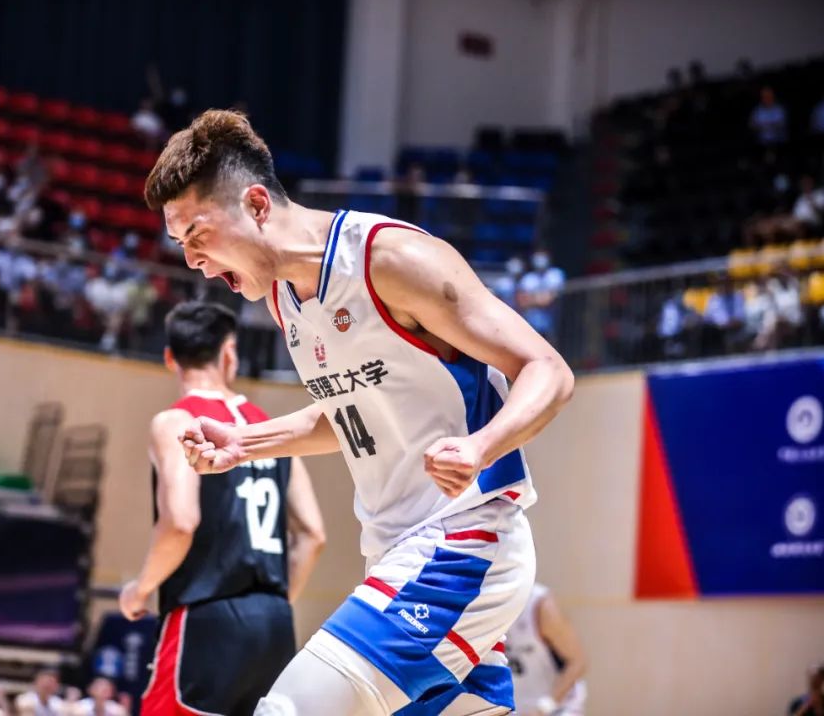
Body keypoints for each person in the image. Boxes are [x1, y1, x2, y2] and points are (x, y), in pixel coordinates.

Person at [146, 110, 574, 715]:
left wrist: (482, 446)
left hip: (461, 544)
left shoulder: (390, 258)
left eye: (196, 234)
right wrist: (245, 443)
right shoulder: (284, 299)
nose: (191, 260)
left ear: (257, 205)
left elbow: (548, 369)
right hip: (397, 553)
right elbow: (350, 413)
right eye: (180, 244)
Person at [119, 302, 326, 715]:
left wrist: (140, 590)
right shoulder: (266, 427)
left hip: (205, 617)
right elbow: (312, 535)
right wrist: (269, 604)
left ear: (170, 358)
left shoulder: (177, 421)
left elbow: (181, 522)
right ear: (229, 353)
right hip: (274, 624)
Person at [504, 583, 587, 716]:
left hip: (554, 707)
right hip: (515, 707)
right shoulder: (481, 605)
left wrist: (544, 707)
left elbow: (577, 662)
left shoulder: (540, 605)